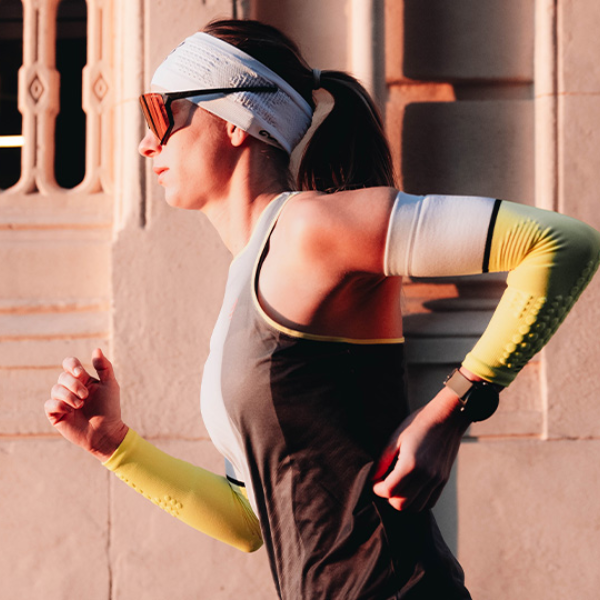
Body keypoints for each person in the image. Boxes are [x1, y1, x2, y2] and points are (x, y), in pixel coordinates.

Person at [45, 18, 600, 600]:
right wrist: (113, 444)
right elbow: (249, 522)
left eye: (162, 114)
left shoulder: (312, 228)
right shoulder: (245, 279)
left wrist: (452, 408)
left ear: (236, 120)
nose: (146, 142)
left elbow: (563, 242)